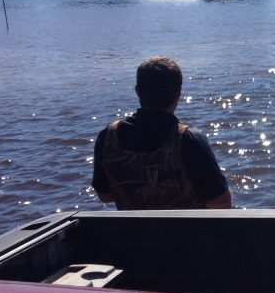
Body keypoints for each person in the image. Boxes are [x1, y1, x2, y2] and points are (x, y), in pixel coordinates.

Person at [92, 56, 232, 209]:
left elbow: (104, 196)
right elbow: (221, 203)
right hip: (186, 232)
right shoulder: (188, 139)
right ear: (178, 93)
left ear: (138, 91)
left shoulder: (108, 135)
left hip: (132, 232)